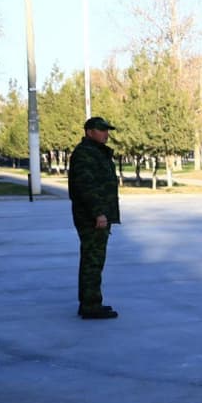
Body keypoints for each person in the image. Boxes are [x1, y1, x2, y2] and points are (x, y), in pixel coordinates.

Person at [69, 115, 122, 320]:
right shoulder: (85, 154)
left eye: (107, 130)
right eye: (102, 130)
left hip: (98, 214)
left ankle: (91, 301)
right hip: (91, 217)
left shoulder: (96, 153)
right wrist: (99, 213)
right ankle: (90, 305)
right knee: (92, 259)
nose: (106, 134)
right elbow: (86, 187)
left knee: (95, 259)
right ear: (89, 132)